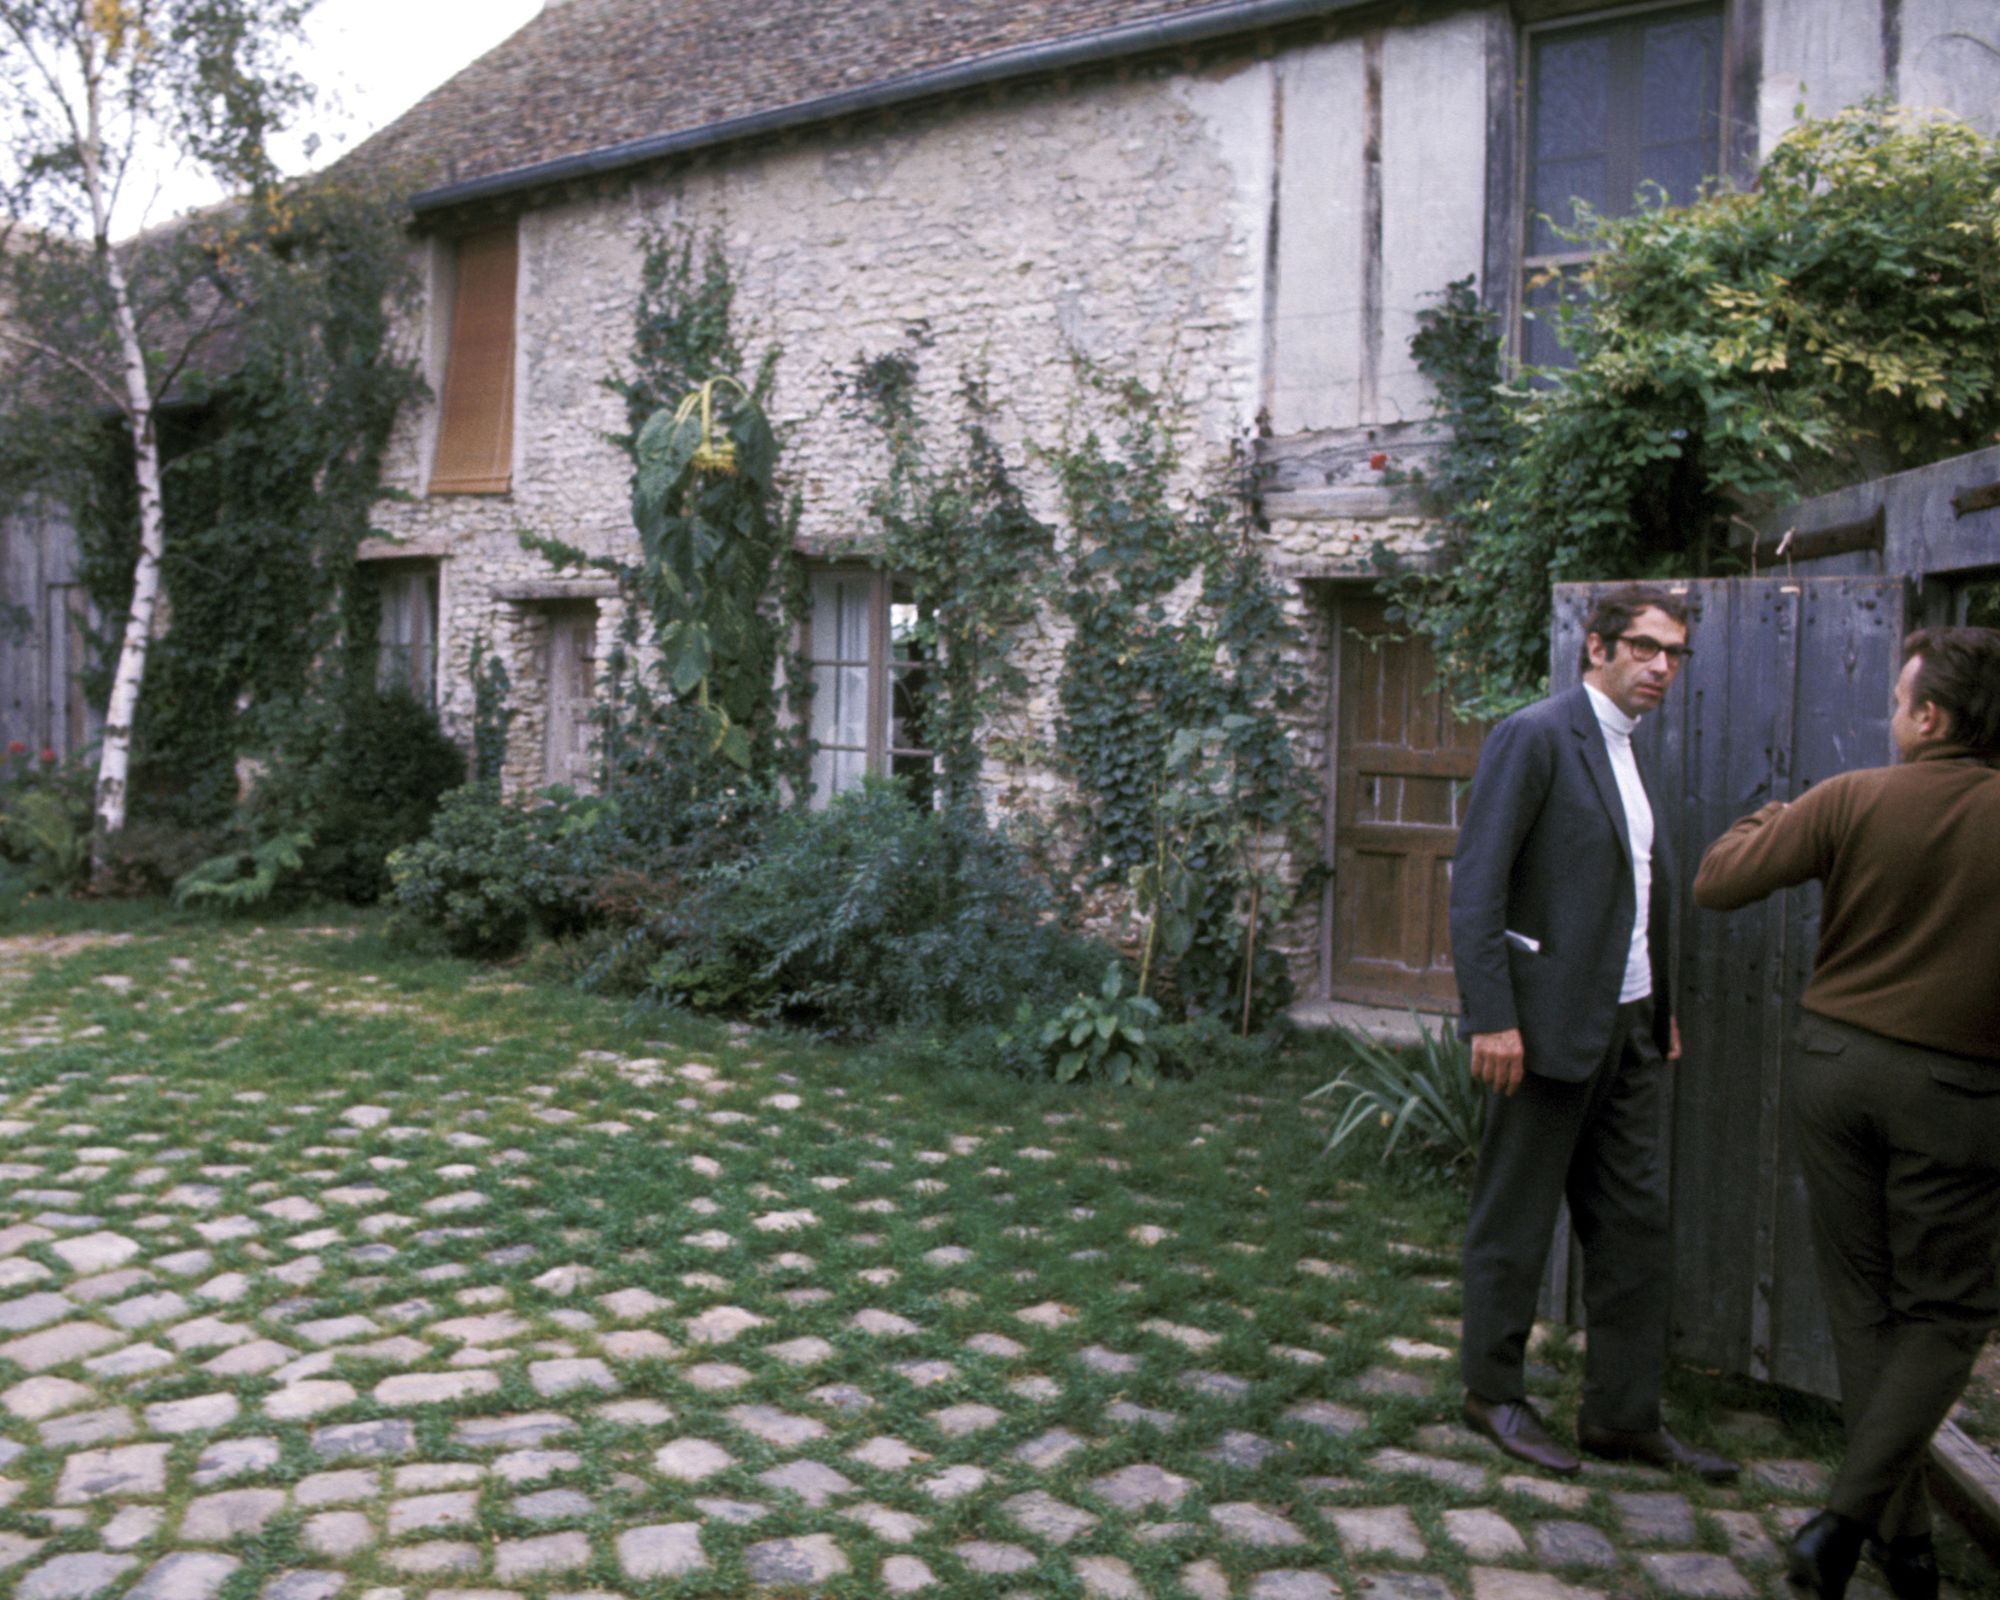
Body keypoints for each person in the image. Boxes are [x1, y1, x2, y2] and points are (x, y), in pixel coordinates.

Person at [1693, 625, 2000, 1600]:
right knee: (1946, 1313)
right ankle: (1843, 1526)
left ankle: (1893, 1542)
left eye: (1896, 702)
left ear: (1928, 717)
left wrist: (1782, 813)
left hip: (1831, 1072)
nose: (1889, 719)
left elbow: (1718, 877)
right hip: (1956, 1095)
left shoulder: (1852, 797)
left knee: (1867, 1308)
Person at [1450, 584, 1737, 1482]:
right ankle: (1492, 1395)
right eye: (1646, 649)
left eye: (1674, 654)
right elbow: (1477, 886)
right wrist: (1493, 1017)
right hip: (1540, 1030)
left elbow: (1632, 890)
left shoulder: (1630, 750)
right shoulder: (1537, 736)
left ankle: (1622, 1416)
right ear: (1597, 649)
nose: (1662, 668)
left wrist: (1659, 1006)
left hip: (1629, 1030)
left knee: (1636, 1228)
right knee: (1516, 1220)